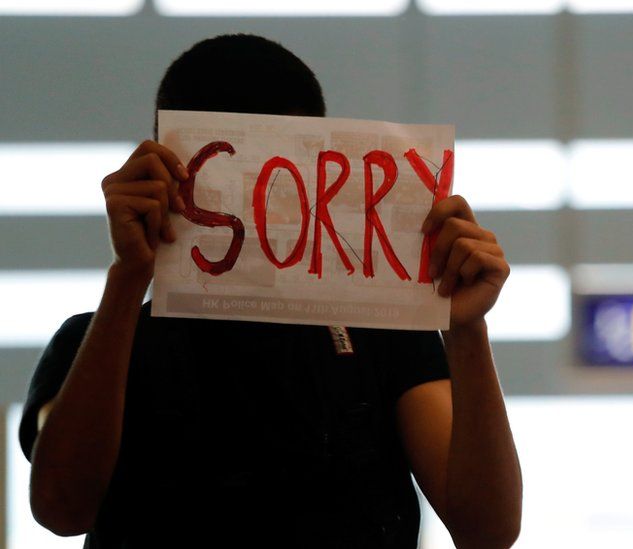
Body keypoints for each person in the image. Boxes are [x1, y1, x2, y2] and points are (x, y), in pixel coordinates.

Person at [19, 34, 522, 549]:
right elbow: (61, 507)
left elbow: (486, 527)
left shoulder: (384, 331)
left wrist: (465, 329)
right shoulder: (99, 343)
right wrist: (128, 277)